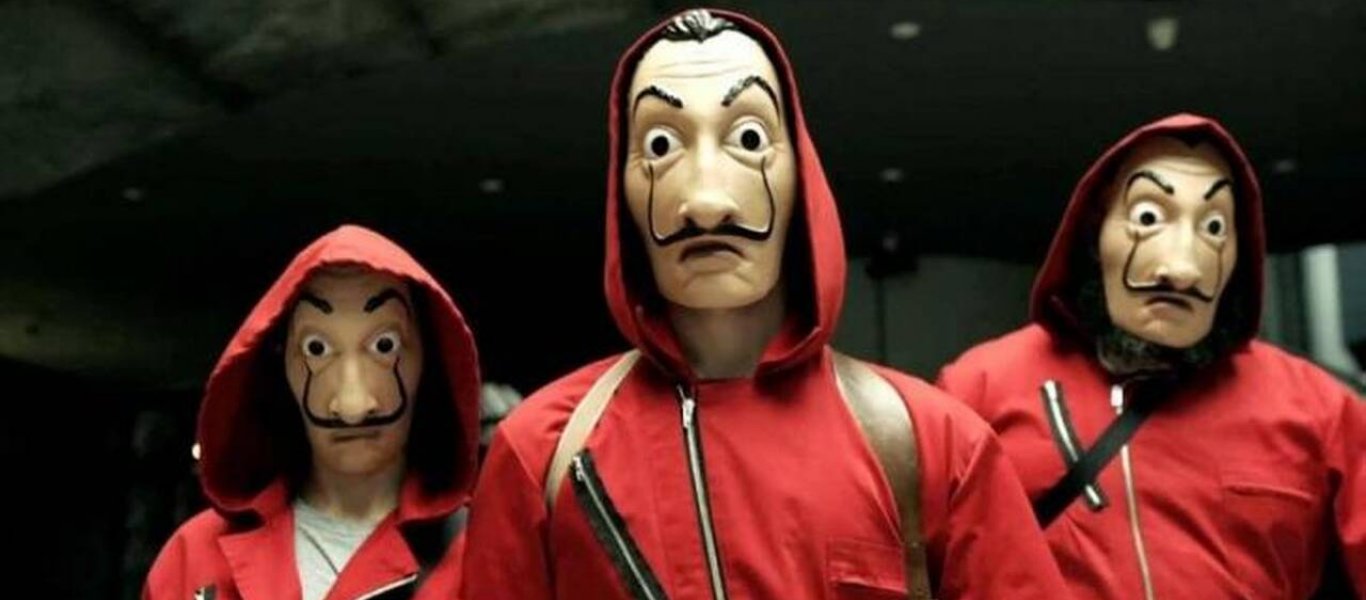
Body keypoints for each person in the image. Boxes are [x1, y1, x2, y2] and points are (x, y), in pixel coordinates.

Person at [461, 9, 1067, 599]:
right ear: (623, 186)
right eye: (661, 145)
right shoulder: (542, 451)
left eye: (749, 138)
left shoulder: (937, 444)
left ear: (801, 173)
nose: (706, 203)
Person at [938, 114, 1366, 598]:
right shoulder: (980, 387)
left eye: (1214, 228)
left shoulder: (1316, 408)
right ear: (1094, 233)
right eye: (1147, 217)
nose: (1182, 269)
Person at [145, 225, 481, 600]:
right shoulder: (194, 558)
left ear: (430, 358)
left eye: (384, 346)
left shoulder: (480, 554)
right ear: (280, 363)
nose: (352, 406)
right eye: (316, 349)